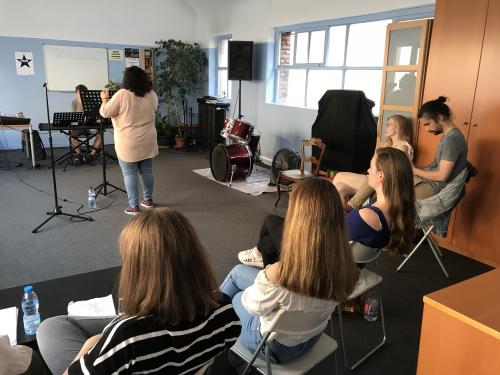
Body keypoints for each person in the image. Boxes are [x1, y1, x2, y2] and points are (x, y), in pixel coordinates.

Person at [37, 209, 241, 375]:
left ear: (137, 268)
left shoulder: (127, 336)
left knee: (49, 327)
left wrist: (90, 346)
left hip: (124, 348)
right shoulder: (224, 311)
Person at [222, 178, 358, 363]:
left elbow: (251, 305)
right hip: (311, 338)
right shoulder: (344, 265)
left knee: (236, 297)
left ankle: (211, 328)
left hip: (271, 348)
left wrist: (262, 280)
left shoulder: (279, 272)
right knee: (238, 271)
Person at [239, 148, 416, 268]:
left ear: (381, 175)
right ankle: (265, 260)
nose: (367, 171)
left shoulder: (368, 215)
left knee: (271, 221)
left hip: (319, 263)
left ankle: (267, 264)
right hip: (343, 258)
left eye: (370, 168)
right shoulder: (395, 210)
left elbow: (327, 235)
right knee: (269, 243)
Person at [99, 66, 158, 215]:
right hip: (148, 139)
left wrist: (104, 99)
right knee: (147, 170)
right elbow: (154, 109)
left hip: (128, 142)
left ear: (127, 80)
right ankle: (148, 200)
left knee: (129, 173)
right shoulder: (151, 94)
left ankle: (134, 206)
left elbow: (105, 113)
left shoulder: (122, 94)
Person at [334, 114, 414, 211]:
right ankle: (342, 217)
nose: (385, 127)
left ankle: (345, 211)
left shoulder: (403, 147)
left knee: (338, 176)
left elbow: (393, 171)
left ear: (397, 128)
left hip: (386, 182)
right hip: (376, 178)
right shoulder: (388, 144)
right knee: (340, 187)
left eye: (388, 125)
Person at [413, 96, 468, 199]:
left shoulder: (452, 139)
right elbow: (437, 167)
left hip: (435, 187)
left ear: (439, 118)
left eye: (427, 124)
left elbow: (442, 176)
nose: (426, 129)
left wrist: (415, 171)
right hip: (432, 183)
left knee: (393, 193)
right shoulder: (449, 136)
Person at [70, 84, 102, 163]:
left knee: (99, 136)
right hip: (79, 127)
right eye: (78, 93)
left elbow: (96, 116)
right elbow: (73, 118)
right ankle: (79, 154)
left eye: (82, 93)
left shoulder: (91, 102)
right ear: (76, 93)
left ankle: (91, 155)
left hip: (90, 126)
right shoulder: (74, 103)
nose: (80, 95)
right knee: (72, 135)